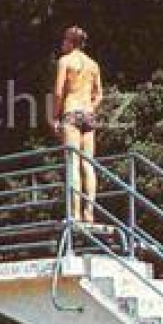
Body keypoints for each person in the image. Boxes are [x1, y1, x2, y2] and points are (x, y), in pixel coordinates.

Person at [51, 25, 104, 222]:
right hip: (88, 114)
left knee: (72, 163)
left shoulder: (64, 61)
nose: (62, 44)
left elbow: (58, 92)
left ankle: (74, 213)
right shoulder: (93, 64)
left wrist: (55, 116)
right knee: (88, 164)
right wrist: (91, 106)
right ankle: (89, 211)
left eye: (64, 40)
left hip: (71, 110)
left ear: (70, 42)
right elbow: (99, 94)